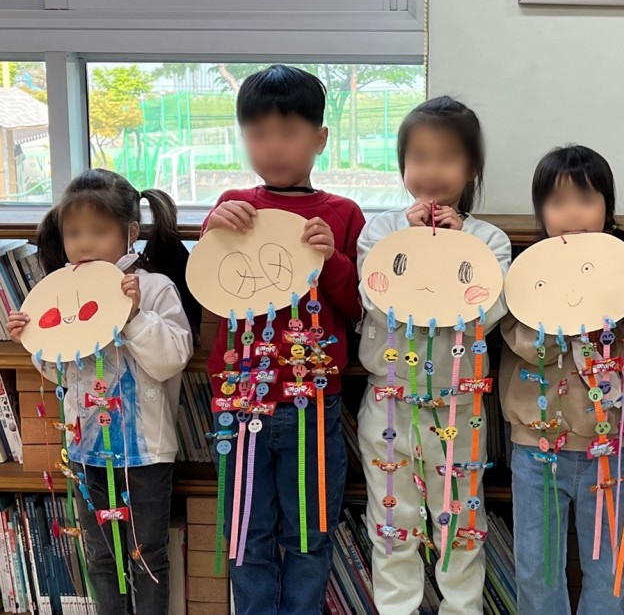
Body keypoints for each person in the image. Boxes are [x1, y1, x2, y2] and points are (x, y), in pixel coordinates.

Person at [202, 65, 364, 615]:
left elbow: (358, 307)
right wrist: (215, 229)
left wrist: (332, 259)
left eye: (289, 132)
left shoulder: (342, 214)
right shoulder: (233, 205)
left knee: (309, 532)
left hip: (311, 405)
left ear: (320, 138)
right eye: (258, 133)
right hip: (240, 402)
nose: (272, 147)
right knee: (246, 534)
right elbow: (212, 291)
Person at [6, 168, 193, 615]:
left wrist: (133, 316)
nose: (85, 244)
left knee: (147, 556)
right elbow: (61, 375)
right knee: (101, 557)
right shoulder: (61, 293)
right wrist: (35, 342)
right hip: (86, 448)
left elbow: (171, 359)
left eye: (99, 231)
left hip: (145, 454)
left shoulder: (154, 288)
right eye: (74, 233)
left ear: (131, 233)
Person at [356, 96, 511, 614]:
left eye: (447, 158)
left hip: (457, 408)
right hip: (390, 405)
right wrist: (412, 239)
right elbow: (375, 301)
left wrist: (460, 248)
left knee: (460, 525)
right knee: (392, 524)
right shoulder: (382, 232)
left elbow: (489, 311)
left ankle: (462, 608)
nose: (431, 170)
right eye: (419, 157)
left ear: (471, 168)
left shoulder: (488, 239)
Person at [500, 145, 624, 615]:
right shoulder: (524, 273)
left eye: (585, 199)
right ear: (541, 212)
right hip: (537, 446)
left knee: (609, 569)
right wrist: (565, 318)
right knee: (536, 568)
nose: (573, 214)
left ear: (607, 207)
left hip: (610, 445)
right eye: (557, 202)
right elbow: (524, 344)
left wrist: (607, 320)